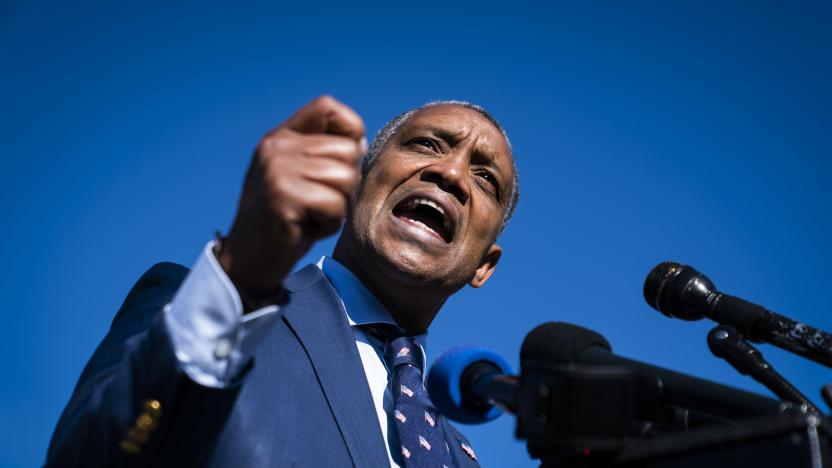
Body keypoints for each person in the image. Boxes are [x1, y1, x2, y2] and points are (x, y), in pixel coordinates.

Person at [46, 95, 519, 467]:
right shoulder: (206, 316)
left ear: (484, 265)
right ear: (353, 185)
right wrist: (240, 279)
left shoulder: (456, 453)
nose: (451, 173)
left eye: (484, 179)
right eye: (426, 144)